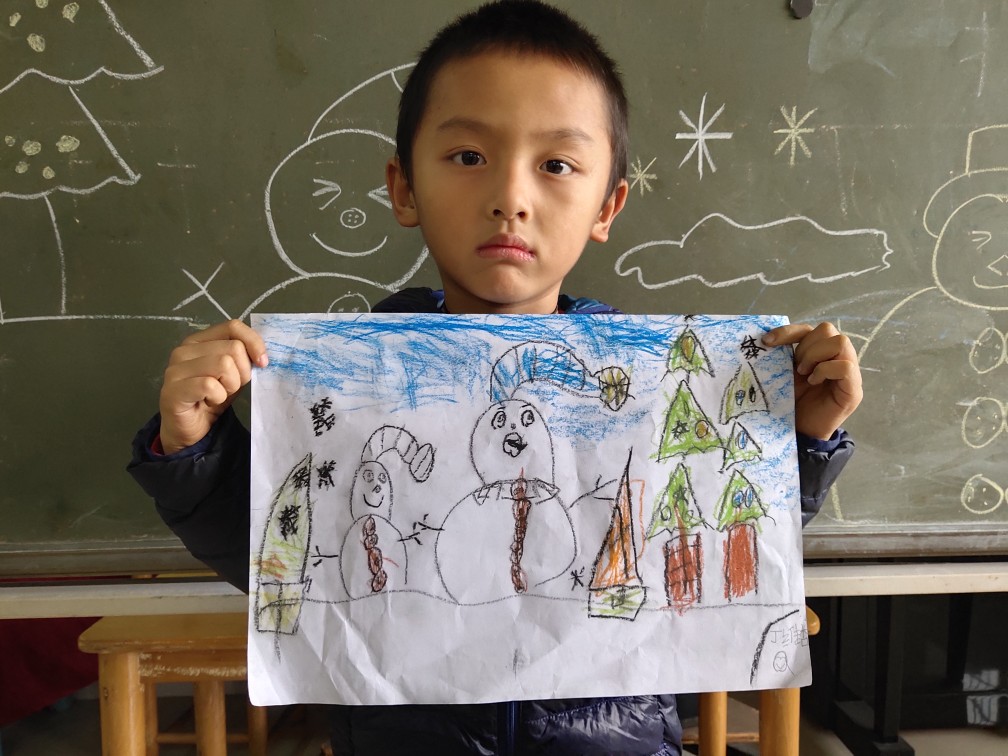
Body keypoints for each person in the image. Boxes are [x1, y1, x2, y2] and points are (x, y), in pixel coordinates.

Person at [128, 2, 862, 754]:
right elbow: (284, 564)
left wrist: (798, 440)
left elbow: (707, 533)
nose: (511, 197)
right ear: (404, 188)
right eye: (469, 156)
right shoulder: (350, 391)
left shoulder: (648, 389)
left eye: (557, 165)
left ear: (607, 205)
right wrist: (194, 449)